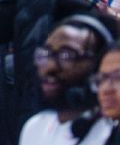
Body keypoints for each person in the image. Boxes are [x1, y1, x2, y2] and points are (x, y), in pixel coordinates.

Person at [19, 14, 114, 145]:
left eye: (67, 55)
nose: (51, 67)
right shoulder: (34, 127)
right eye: (46, 53)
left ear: (99, 66)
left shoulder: (114, 133)